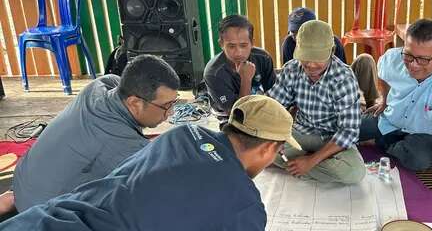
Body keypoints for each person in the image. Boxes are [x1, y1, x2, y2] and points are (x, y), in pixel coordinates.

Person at [0, 95, 301, 230]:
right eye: (278, 152)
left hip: (46, 218)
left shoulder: (184, 133)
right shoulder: (245, 207)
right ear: (269, 148)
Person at [4, 55, 180, 214]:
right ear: (134, 102)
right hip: (43, 216)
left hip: (22, 185)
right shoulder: (127, 148)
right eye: (166, 105)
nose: (171, 113)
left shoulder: (102, 85)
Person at [359, 19, 432, 193]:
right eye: (408, 55)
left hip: (425, 134)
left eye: (422, 59)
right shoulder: (392, 58)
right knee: (347, 128)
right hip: (391, 119)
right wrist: (384, 101)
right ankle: (386, 140)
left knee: (418, 159)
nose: (413, 65)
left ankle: (380, 141)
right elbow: (382, 74)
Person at [269, 20, 366, 184]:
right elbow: (272, 107)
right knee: (263, 149)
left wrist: (311, 161)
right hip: (299, 134)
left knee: (355, 172)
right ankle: (311, 165)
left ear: (331, 51)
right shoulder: (291, 69)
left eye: (318, 58)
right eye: (306, 57)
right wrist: (274, 138)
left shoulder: (343, 78)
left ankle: (301, 164)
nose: (311, 65)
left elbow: (348, 132)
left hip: (331, 138)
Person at [282, 7, 379, 107]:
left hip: (335, 86)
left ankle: (371, 107)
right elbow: (292, 80)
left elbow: (342, 76)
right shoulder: (289, 44)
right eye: (293, 31)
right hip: (307, 93)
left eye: (301, 31)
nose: (296, 36)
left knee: (365, 60)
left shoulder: (333, 42)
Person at [204, 14, 276, 119]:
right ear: (221, 44)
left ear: (252, 43)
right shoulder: (213, 73)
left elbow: (275, 96)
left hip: (260, 110)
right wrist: (246, 79)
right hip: (228, 117)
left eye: (243, 45)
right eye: (231, 46)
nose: (238, 53)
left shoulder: (263, 58)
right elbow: (238, 115)